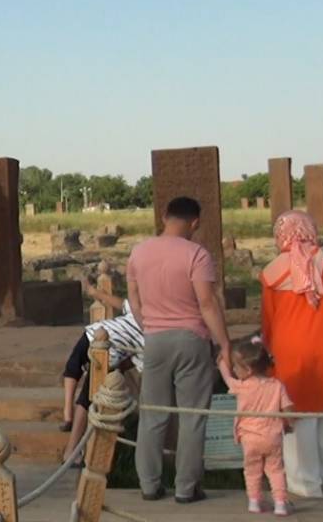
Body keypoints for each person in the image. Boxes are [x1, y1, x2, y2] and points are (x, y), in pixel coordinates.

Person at [128, 196, 231, 504]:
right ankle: (187, 488)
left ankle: (149, 484)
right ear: (195, 222)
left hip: (155, 339)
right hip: (191, 339)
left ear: (164, 216)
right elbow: (207, 303)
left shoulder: (138, 252)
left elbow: (133, 300)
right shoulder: (196, 254)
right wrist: (224, 343)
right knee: (192, 416)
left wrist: (149, 324)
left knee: (153, 415)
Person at [260, 210, 323, 498]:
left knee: (299, 418)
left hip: (291, 352)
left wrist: (267, 353)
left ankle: (305, 484)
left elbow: (268, 321)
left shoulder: (272, 272)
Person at [59, 280, 144, 461]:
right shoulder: (141, 308)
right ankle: (67, 414)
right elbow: (121, 303)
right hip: (93, 334)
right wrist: (95, 293)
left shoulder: (151, 336)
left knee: (86, 397)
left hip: (107, 355)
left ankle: (71, 451)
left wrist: (117, 368)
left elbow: (132, 361)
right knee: (72, 367)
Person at [218, 337, 294, 516]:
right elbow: (288, 410)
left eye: (237, 366)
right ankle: (281, 504)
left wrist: (222, 362)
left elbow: (227, 378)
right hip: (273, 437)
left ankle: (254, 501)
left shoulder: (242, 386)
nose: (235, 370)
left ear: (249, 369)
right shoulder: (277, 385)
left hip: (249, 438)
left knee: (252, 470)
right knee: (276, 470)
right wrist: (289, 425)